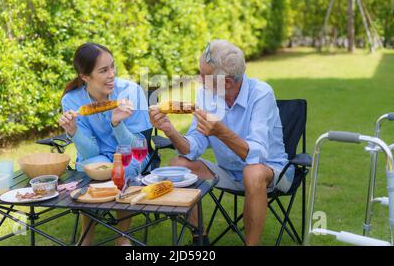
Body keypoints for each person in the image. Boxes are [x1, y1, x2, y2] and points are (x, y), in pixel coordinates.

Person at [148, 39, 294, 246]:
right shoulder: (206, 95)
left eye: (203, 75)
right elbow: (193, 148)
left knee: (252, 172)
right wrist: (170, 131)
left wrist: (221, 132)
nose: (198, 80)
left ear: (226, 82)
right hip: (228, 171)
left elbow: (257, 156)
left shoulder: (262, 94)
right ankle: (200, 238)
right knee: (178, 164)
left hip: (271, 172)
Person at [59, 42, 152, 246]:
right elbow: (90, 151)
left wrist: (117, 124)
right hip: (96, 155)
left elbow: (139, 146)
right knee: (91, 168)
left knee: (123, 169)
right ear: (85, 77)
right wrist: (73, 130)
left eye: (112, 66)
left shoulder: (132, 91)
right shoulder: (72, 100)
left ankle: (122, 237)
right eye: (103, 70)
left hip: (131, 152)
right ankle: (86, 238)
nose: (111, 74)